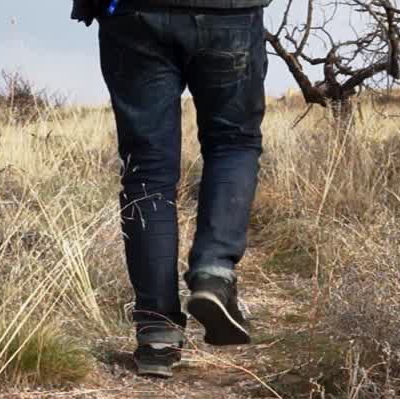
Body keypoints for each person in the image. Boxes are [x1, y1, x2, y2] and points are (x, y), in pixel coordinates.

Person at [72, 0, 271, 378]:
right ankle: (214, 272)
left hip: (133, 15)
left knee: (146, 169)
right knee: (233, 142)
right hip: (229, 11)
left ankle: (156, 330)